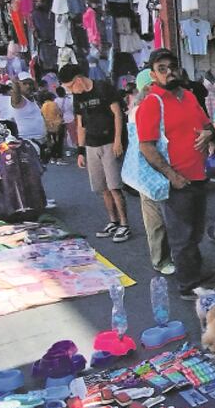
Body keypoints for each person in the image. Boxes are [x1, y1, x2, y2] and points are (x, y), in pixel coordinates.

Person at [136, 48, 215, 300]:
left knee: (195, 232)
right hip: (176, 182)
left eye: (172, 66)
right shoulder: (151, 103)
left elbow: (207, 125)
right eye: (162, 68)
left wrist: (210, 133)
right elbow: (146, 145)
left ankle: (195, 273)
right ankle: (187, 285)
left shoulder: (190, 96)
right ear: (153, 74)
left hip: (199, 175)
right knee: (181, 236)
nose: (169, 72)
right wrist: (172, 175)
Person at [59, 63, 130, 241]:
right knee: (102, 187)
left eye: (70, 86)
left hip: (108, 143)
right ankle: (113, 221)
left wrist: (118, 141)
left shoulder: (102, 87)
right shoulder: (78, 98)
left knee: (114, 186)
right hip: (91, 145)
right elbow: (80, 124)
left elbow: (117, 114)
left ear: (78, 80)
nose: (70, 91)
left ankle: (124, 224)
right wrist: (80, 151)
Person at [128, 69, 174, 275]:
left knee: (168, 215)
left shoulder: (160, 105)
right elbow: (143, 144)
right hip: (150, 168)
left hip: (165, 165)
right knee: (155, 217)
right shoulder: (140, 110)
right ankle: (161, 259)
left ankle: (169, 256)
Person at [0, 72, 47, 145]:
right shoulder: (18, 100)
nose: (28, 86)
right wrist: (15, 83)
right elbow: (16, 93)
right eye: (25, 83)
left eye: (30, 84)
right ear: (19, 84)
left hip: (41, 139)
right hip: (28, 141)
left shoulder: (33, 99)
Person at [39, 90, 65, 164]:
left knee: (51, 142)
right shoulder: (54, 104)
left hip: (47, 125)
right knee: (59, 142)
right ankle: (59, 158)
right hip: (57, 125)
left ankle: (52, 158)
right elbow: (59, 113)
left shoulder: (43, 106)